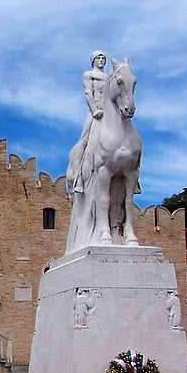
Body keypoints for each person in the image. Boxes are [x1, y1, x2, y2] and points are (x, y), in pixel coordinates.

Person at [65, 50, 108, 253]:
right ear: (93, 61)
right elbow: (88, 94)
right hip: (95, 112)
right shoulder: (89, 75)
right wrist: (95, 110)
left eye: (103, 58)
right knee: (84, 141)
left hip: (111, 112)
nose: (101, 60)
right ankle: (79, 177)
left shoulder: (111, 78)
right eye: (98, 58)